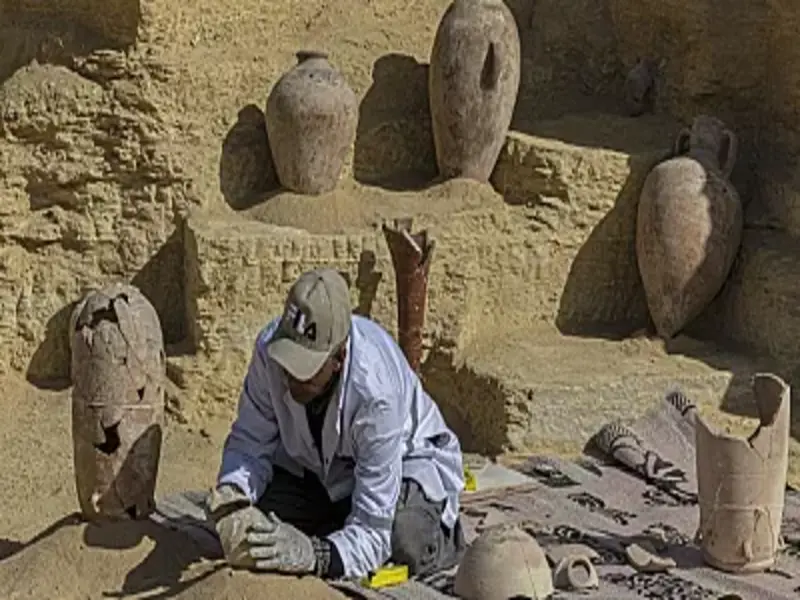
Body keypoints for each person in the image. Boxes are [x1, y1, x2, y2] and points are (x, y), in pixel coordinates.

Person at [207, 267, 466, 580]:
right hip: (322, 473)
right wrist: (233, 494)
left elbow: (373, 530)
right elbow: (249, 442)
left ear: (339, 359)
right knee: (254, 525)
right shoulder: (268, 353)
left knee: (404, 540)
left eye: (305, 369)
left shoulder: (374, 393)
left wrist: (314, 555)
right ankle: (335, 526)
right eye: (288, 361)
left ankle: (441, 537)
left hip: (403, 467)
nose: (290, 377)